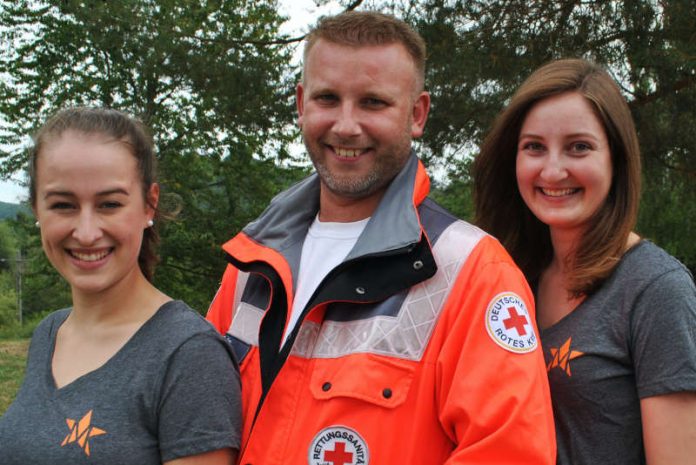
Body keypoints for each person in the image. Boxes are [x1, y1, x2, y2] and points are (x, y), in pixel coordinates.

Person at [206, 11, 555, 465]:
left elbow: (512, 454)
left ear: (417, 114)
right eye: (328, 98)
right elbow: (198, 427)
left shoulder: (471, 272)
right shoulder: (252, 264)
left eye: (373, 103)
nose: (347, 126)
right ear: (300, 103)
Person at [473, 58, 696, 465]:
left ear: (616, 158)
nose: (553, 170)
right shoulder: (506, 277)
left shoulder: (657, 289)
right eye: (534, 147)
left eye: (579, 147)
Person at [0, 107, 241, 464]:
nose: (85, 232)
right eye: (63, 205)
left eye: (109, 204)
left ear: (149, 205)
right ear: (37, 209)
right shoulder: (49, 333)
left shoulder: (188, 355)